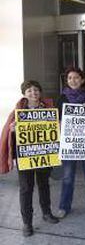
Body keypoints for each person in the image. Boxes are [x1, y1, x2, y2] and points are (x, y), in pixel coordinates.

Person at [0, 80, 59, 237]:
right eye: (29, 91)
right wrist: (12, 129)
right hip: (25, 155)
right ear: (24, 94)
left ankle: (46, 213)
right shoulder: (18, 111)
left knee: (44, 184)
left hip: (44, 153)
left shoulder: (49, 109)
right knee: (26, 188)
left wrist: (57, 124)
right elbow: (7, 133)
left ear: (40, 92)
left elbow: (56, 130)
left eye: (36, 90)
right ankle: (27, 222)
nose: (33, 93)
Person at [56, 67, 85, 218]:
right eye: (70, 78)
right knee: (68, 176)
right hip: (69, 142)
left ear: (82, 80)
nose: (73, 81)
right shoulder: (62, 98)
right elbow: (57, 120)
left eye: (76, 78)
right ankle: (64, 206)